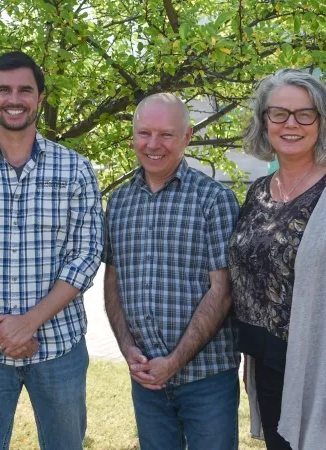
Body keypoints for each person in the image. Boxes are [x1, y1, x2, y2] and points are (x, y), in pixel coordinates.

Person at [0, 51, 103, 449]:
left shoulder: (75, 170)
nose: (15, 98)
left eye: (25, 90)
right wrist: (2, 329)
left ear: (40, 99)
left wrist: (28, 323)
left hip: (59, 346)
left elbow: (85, 256)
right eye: (4, 90)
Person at [231, 68, 326, 449]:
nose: (291, 124)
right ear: (264, 120)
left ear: (323, 122)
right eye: (278, 113)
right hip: (268, 365)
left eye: (305, 114)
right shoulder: (258, 194)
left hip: (325, 374)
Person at [103, 93, 240, 449]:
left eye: (166, 134)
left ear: (188, 136)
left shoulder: (214, 200)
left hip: (206, 380)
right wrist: (126, 345)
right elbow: (113, 280)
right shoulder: (118, 202)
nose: (153, 144)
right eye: (144, 133)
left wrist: (174, 361)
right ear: (132, 136)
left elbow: (222, 291)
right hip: (146, 379)